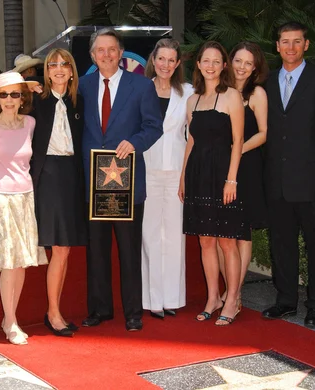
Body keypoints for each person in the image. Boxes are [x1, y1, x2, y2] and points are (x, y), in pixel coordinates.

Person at [262, 22, 315, 328]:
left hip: (313, 181)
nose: (291, 48)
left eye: (297, 42)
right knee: (281, 243)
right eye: (285, 42)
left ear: (306, 45)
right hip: (277, 180)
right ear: (277, 46)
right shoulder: (266, 82)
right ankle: (285, 301)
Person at [79, 28, 163, 332]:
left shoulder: (141, 87)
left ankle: (133, 313)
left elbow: (154, 127)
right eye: (100, 50)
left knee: (129, 251)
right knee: (97, 251)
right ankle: (100, 309)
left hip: (126, 182)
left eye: (112, 49)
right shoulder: (83, 86)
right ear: (92, 56)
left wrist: (135, 143)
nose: (106, 55)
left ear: (121, 52)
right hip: (93, 181)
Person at [0, 72, 47, 345]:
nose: (9, 99)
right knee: (9, 263)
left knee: (20, 264)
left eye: (15, 94)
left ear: (23, 98)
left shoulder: (30, 124)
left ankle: (10, 318)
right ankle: (11, 321)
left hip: (25, 198)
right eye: (3, 94)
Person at [179, 41, 245, 326]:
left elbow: (238, 141)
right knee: (205, 241)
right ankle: (213, 298)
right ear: (198, 64)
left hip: (222, 175)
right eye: (206, 60)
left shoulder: (232, 96)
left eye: (216, 61)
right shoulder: (192, 100)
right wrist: (183, 176)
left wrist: (231, 179)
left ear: (224, 66)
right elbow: (191, 141)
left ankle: (232, 300)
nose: (210, 66)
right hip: (197, 175)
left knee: (227, 242)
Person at [30, 48, 86, 337]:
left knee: (64, 250)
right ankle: (53, 313)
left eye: (65, 64)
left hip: (72, 178)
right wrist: (25, 85)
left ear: (72, 70)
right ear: (47, 71)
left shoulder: (79, 102)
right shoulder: (34, 101)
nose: (59, 69)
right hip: (47, 177)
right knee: (58, 248)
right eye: (53, 65)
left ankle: (55, 310)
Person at [141, 38, 193, 320]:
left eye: (171, 60)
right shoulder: (140, 89)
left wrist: (186, 173)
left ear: (177, 64)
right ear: (153, 59)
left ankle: (172, 298)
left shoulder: (188, 92)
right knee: (149, 234)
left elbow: (194, 134)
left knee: (175, 235)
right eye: (161, 59)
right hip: (146, 168)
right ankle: (152, 300)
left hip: (176, 170)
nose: (166, 65)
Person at [218, 42, 269, 305]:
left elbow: (263, 133)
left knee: (241, 232)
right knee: (221, 233)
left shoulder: (257, 93)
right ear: (230, 61)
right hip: (220, 167)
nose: (242, 67)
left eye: (248, 63)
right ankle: (228, 289)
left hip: (246, 166)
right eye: (238, 60)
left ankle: (234, 293)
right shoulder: (221, 91)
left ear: (255, 67)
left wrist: (237, 151)